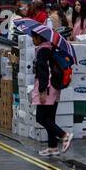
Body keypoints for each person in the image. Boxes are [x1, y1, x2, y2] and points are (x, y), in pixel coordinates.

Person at [31, 24, 71, 157]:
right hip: (55, 87)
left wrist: (42, 91)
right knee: (50, 118)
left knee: (41, 118)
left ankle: (64, 135)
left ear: (39, 38)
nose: (32, 40)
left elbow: (43, 72)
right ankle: (52, 147)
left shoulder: (42, 51)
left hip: (47, 88)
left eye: (34, 37)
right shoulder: (52, 48)